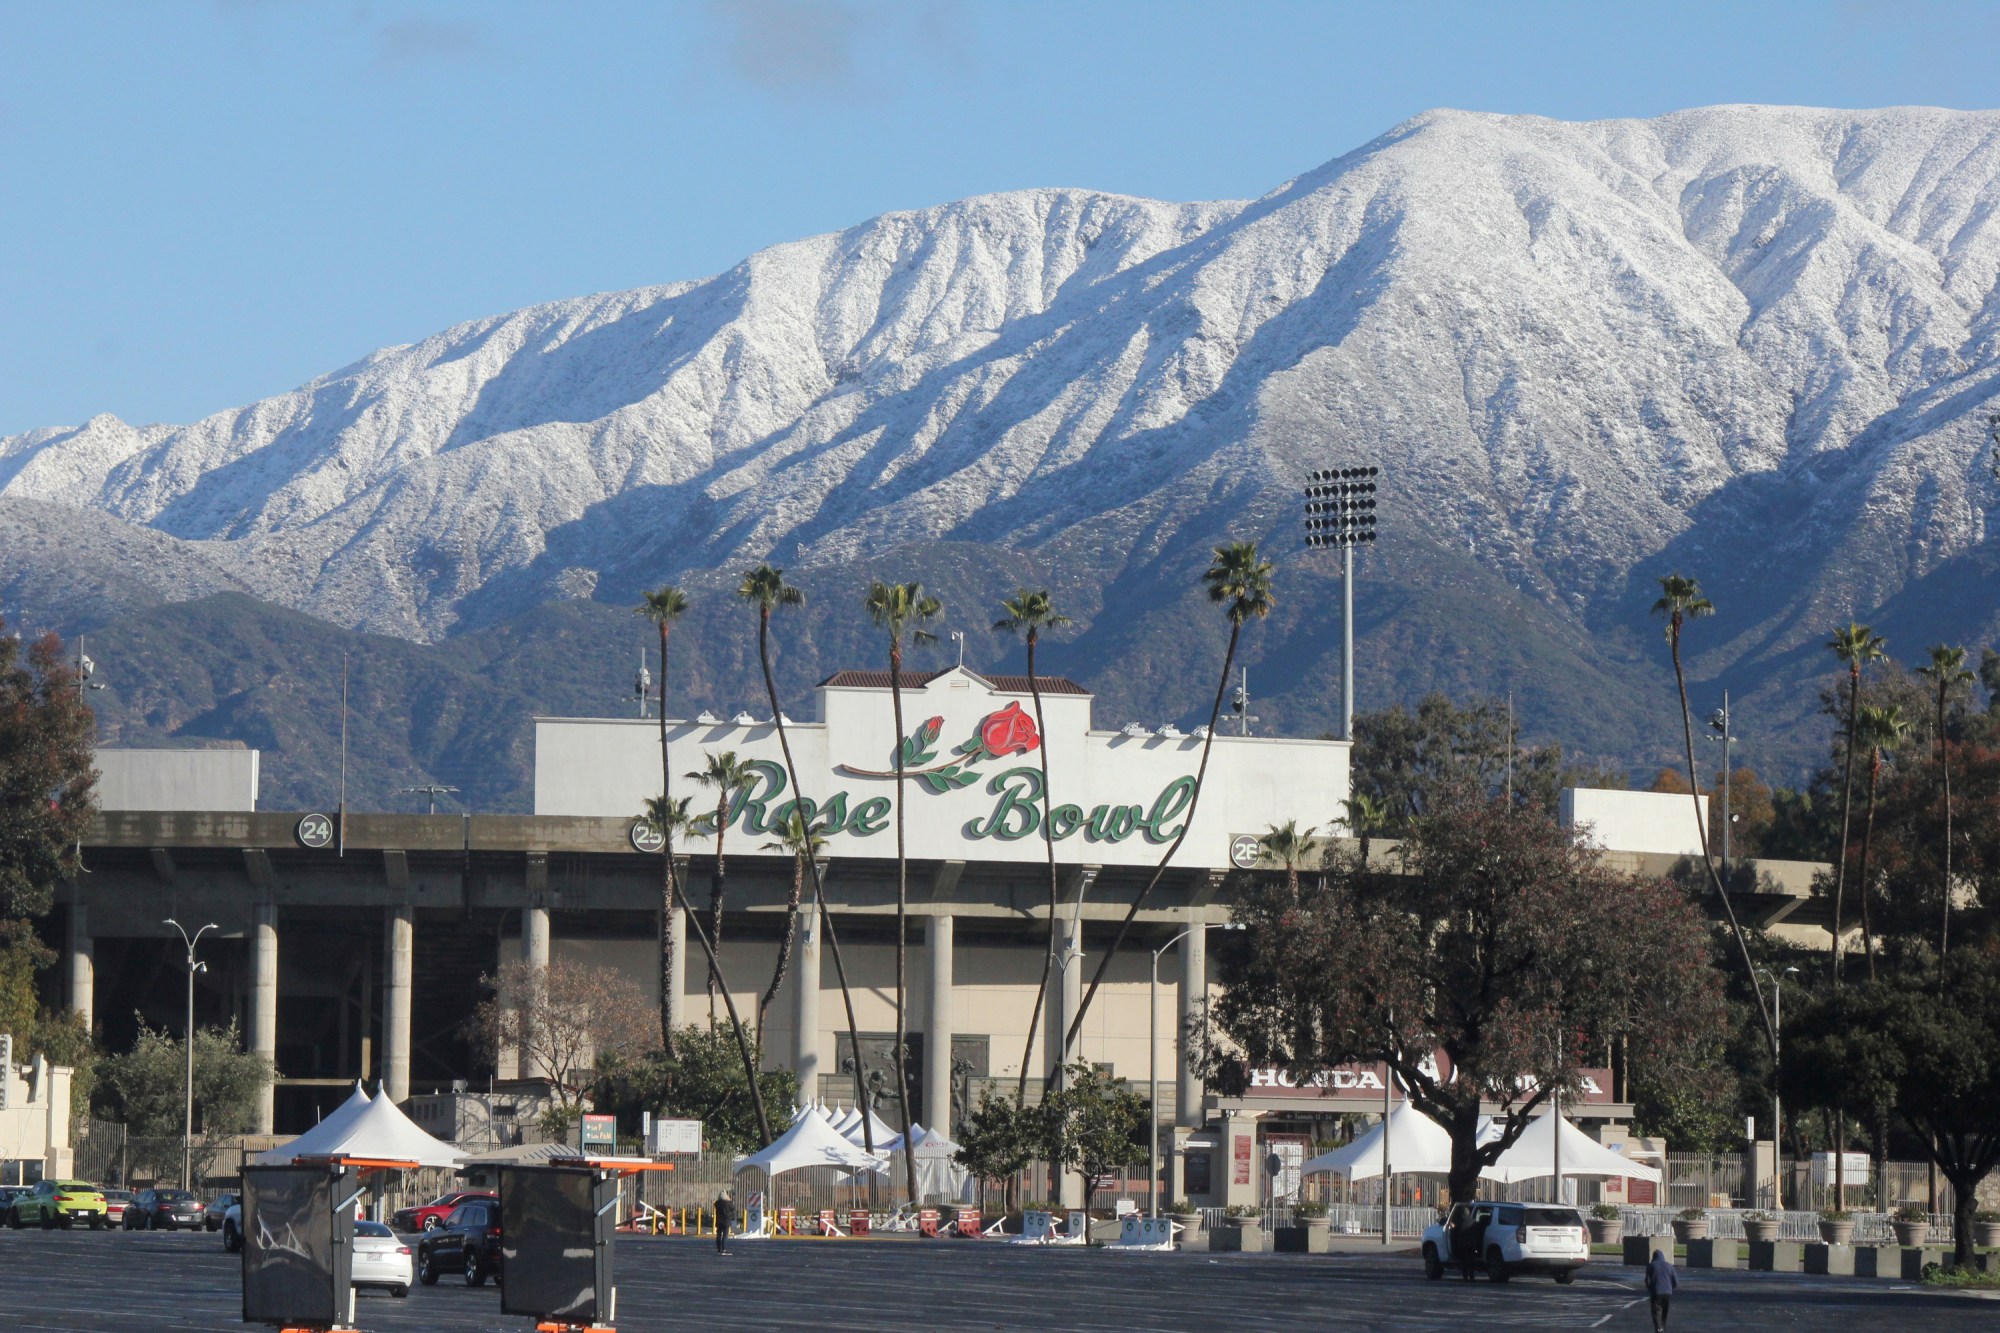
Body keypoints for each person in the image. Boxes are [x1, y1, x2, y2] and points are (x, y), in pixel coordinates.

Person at [1646, 1247, 1678, 1331]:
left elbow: (1647, 1281)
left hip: (1656, 1292)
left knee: (1656, 1312)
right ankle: (1663, 1327)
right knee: (1664, 1312)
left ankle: (1658, 1328)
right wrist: (1670, 1288)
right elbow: (1675, 1282)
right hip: (1667, 1292)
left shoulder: (1650, 1266)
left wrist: (1650, 1290)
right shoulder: (1669, 1266)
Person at [714, 1190, 735, 1255]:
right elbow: (733, 1208)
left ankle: (719, 1249)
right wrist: (729, 1199)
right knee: (725, 1235)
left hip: (719, 1221)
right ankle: (724, 1249)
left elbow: (716, 1204)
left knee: (718, 1235)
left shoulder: (717, 1203)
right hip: (726, 1221)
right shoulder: (729, 1203)